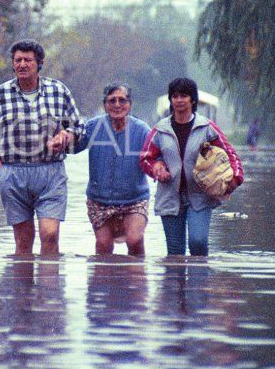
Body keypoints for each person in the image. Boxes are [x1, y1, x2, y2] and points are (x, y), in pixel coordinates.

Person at [0, 39, 84, 259]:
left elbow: (79, 128)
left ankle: (49, 291)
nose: (22, 64)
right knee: (23, 241)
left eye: (28, 60)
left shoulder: (58, 91)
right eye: (17, 60)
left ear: (39, 63)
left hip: (51, 173)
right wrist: (1, 173)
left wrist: (65, 136)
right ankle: (23, 292)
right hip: (13, 174)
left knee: (50, 235)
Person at [139, 77, 243, 257]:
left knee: (198, 243)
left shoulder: (207, 127)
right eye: (175, 96)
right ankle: (174, 285)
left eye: (184, 96)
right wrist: (156, 169)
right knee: (175, 253)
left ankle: (199, 284)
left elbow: (230, 154)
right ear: (171, 100)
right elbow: (145, 158)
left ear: (192, 99)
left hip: (200, 196)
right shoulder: (160, 129)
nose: (179, 100)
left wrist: (235, 178)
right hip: (170, 197)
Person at [72, 83, 151, 258]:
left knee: (135, 240)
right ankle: (104, 282)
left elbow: (155, 157)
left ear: (129, 104)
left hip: (134, 199)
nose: (117, 105)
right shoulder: (92, 127)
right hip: (99, 200)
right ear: (105, 104)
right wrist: (60, 137)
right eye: (112, 101)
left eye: (122, 100)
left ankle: (138, 279)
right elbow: (72, 147)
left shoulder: (142, 130)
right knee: (103, 245)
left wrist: (160, 168)